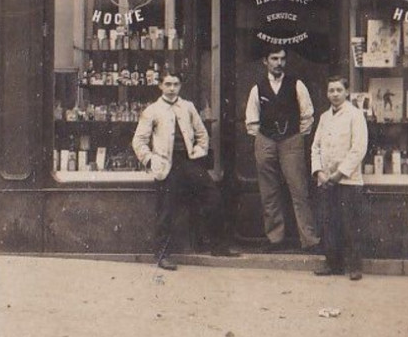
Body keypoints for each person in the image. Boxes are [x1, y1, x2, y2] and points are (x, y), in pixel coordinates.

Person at [133, 70, 238, 270]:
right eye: (168, 84)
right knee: (166, 210)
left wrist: (197, 153)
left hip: (189, 163)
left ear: (180, 86)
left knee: (213, 197)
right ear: (161, 86)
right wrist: (150, 160)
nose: (172, 89)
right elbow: (139, 141)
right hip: (166, 165)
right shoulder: (152, 110)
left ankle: (218, 246)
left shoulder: (188, 107)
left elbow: (202, 135)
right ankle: (163, 255)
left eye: (176, 84)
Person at [245, 49, 321, 251]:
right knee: (268, 191)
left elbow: (307, 115)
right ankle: (275, 239)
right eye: (274, 59)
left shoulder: (296, 84)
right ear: (265, 61)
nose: (279, 63)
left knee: (299, 190)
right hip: (265, 140)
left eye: (282, 59)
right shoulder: (257, 88)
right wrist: (265, 138)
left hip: (291, 141)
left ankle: (309, 240)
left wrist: (295, 136)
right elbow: (252, 120)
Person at [311, 75, 369, 280]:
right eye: (331, 91)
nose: (334, 95)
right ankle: (332, 264)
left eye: (338, 90)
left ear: (347, 92)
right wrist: (319, 172)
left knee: (350, 224)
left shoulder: (355, 115)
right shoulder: (324, 118)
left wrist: (338, 174)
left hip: (348, 180)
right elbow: (316, 146)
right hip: (326, 180)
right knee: (329, 223)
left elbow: (358, 148)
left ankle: (354, 266)